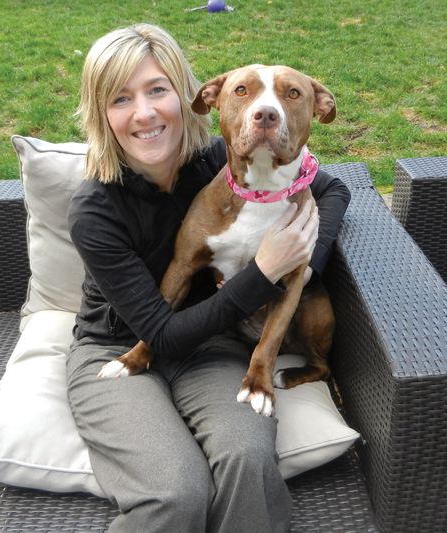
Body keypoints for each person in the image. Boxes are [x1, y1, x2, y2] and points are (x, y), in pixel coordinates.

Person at [67, 23, 350, 533]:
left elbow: (334, 191)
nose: (146, 112)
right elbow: (162, 334)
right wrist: (262, 274)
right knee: (175, 492)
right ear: (100, 113)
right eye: (121, 99)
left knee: (248, 464)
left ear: (190, 96)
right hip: (121, 345)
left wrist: (304, 258)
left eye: (157, 90)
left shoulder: (223, 156)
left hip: (213, 343)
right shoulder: (93, 211)